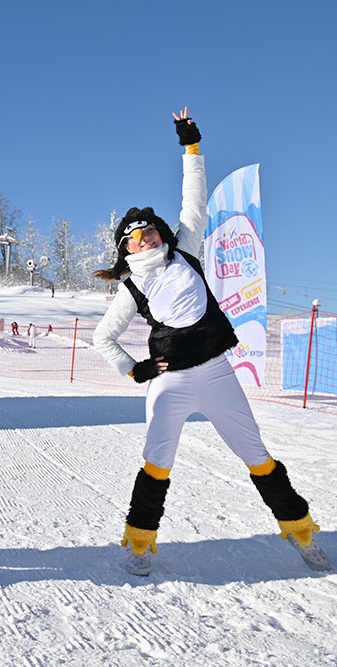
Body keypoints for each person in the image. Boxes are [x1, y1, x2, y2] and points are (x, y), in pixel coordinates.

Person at [92, 106, 330, 576]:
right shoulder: (131, 289)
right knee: (156, 463)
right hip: (171, 383)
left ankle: (301, 530)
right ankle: (139, 543)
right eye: (134, 237)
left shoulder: (186, 251)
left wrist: (191, 147)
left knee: (258, 457)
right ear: (124, 249)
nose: (145, 238)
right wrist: (135, 369)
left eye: (149, 231)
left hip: (218, 374)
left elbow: (194, 198)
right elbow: (103, 338)